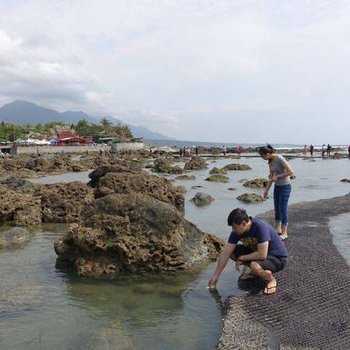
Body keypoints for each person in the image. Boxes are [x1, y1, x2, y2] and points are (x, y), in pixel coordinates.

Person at [208, 208, 287, 295]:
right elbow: (226, 254)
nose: (233, 230)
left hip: (277, 258)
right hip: (258, 255)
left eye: (235, 227)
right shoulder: (237, 232)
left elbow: (262, 255)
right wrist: (215, 277)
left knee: (254, 265)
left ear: (244, 223)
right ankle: (258, 271)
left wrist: (242, 258)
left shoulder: (260, 227)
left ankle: (271, 280)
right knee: (230, 252)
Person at [259, 144, 294, 240]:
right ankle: (277, 230)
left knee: (283, 209)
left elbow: (291, 172)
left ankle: (285, 232)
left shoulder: (279, 158)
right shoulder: (270, 161)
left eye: (262, 156)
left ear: (267, 153)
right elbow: (271, 178)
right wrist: (266, 191)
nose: (262, 158)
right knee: (277, 209)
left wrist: (278, 177)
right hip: (277, 187)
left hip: (285, 187)